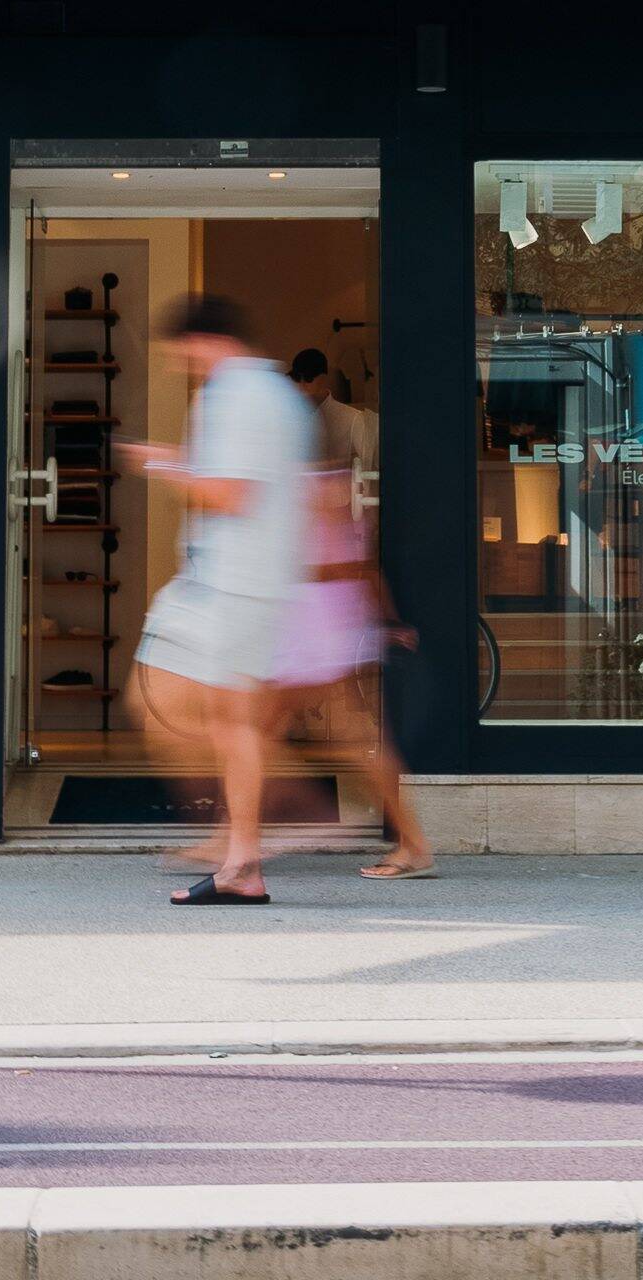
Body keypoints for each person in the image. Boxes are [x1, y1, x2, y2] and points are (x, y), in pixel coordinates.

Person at [124, 294, 313, 906]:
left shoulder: (236, 396)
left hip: (233, 584)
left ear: (203, 341)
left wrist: (162, 465)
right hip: (236, 581)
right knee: (209, 714)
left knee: (200, 714)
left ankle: (257, 842)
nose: (179, 364)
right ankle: (243, 841)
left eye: (179, 353)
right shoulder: (275, 393)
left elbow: (232, 495)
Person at [280, 349, 433, 880]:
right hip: (314, 622)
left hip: (317, 625)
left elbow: (352, 564)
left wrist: (385, 622)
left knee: (347, 735)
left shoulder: (317, 489)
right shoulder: (317, 487)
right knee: (256, 727)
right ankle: (239, 842)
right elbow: (363, 564)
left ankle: (408, 843)